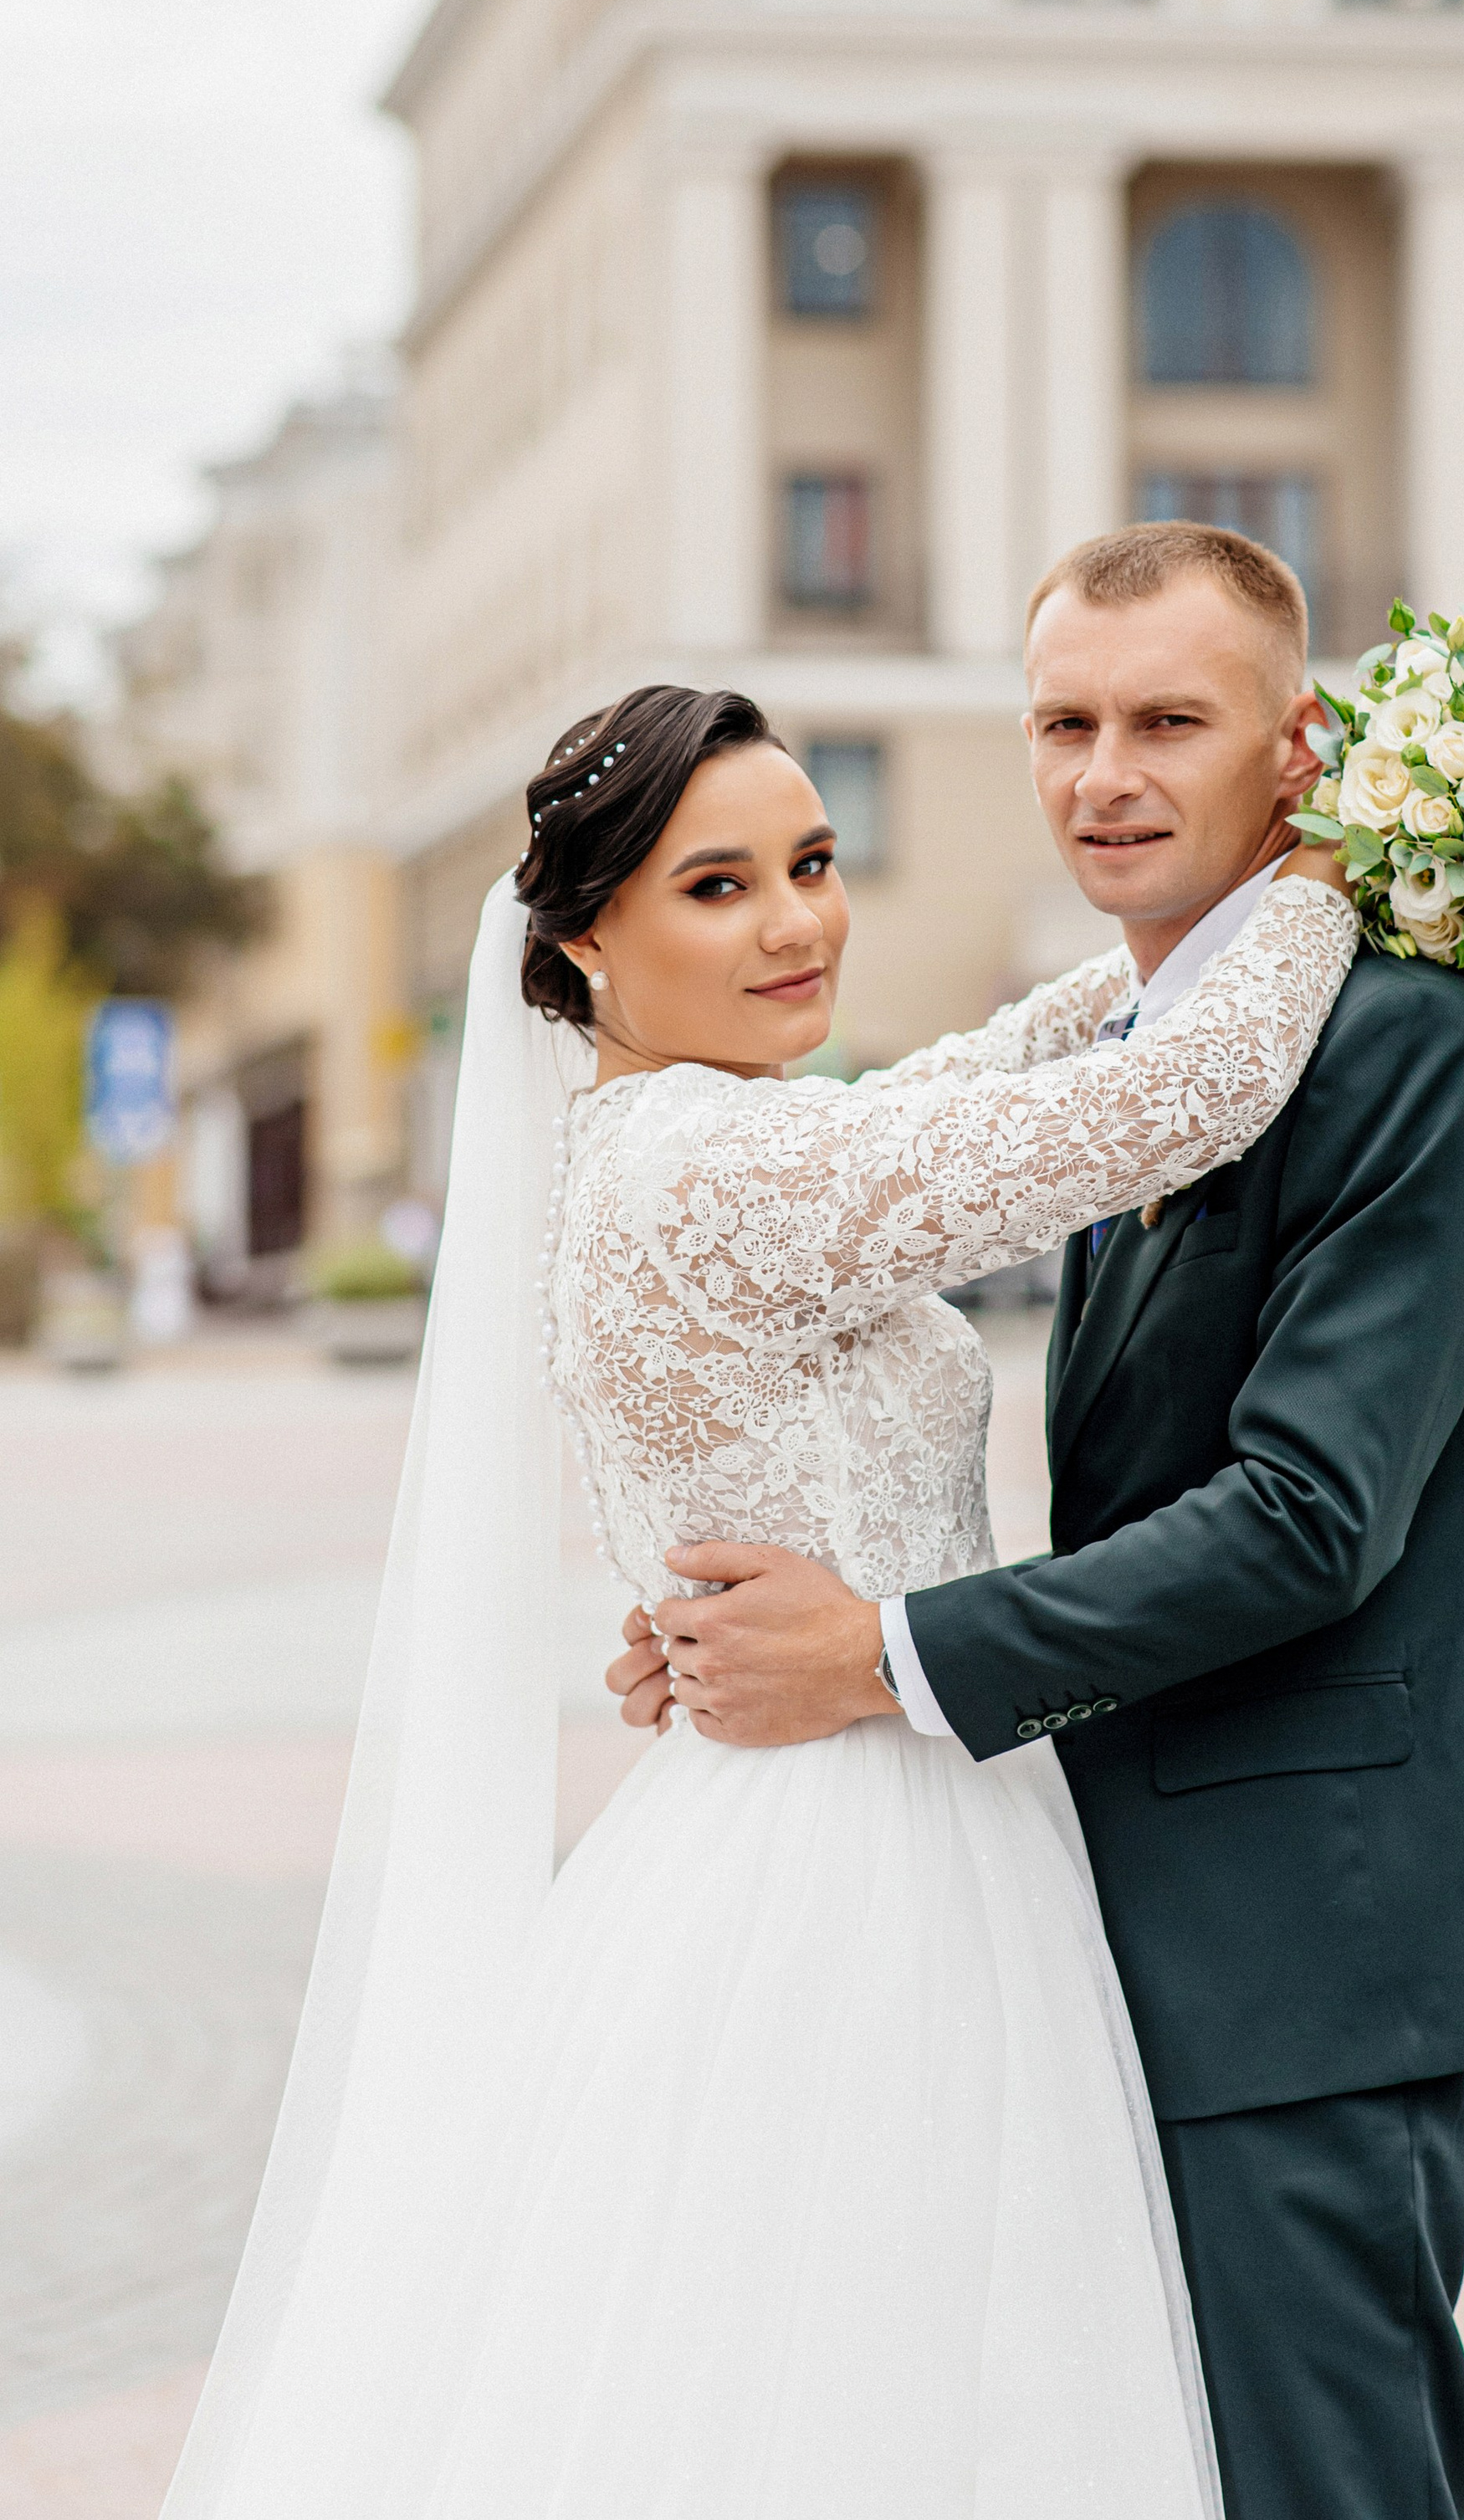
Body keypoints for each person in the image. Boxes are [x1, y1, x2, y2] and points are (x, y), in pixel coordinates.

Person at [161, 678, 1359, 2520]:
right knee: (874, 2369)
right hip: (855, 1850)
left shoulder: (700, 1136)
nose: (795, 920)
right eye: (716, 888)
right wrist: (1340, 863)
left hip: (839, 1783)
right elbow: (1169, 1103)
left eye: (808, 860)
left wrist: (1166, 942)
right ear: (582, 941)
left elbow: (978, 1076)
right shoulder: (712, 1163)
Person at [612, 523, 1464, 2520]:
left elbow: (1301, 1514)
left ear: (1298, 743)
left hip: (1304, 1920)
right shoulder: (1136, 1047)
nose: (1104, 773)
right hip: (1121, 1895)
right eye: (1062, 722)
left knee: (1315, 2479)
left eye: (1168, 718)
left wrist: (882, 1653)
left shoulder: (1399, 1039)